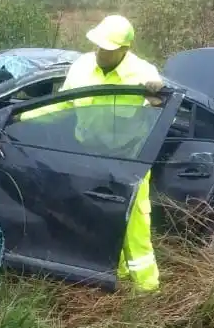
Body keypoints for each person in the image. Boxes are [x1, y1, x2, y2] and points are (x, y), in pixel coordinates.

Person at [27, 15, 164, 292]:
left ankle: (147, 289)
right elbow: (59, 106)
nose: (101, 52)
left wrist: (156, 101)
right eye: (99, 46)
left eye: (109, 48)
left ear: (125, 49)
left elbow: (161, 115)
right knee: (97, 216)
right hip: (88, 156)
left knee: (136, 223)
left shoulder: (144, 74)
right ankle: (109, 273)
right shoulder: (81, 68)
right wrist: (22, 117)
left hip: (129, 160)